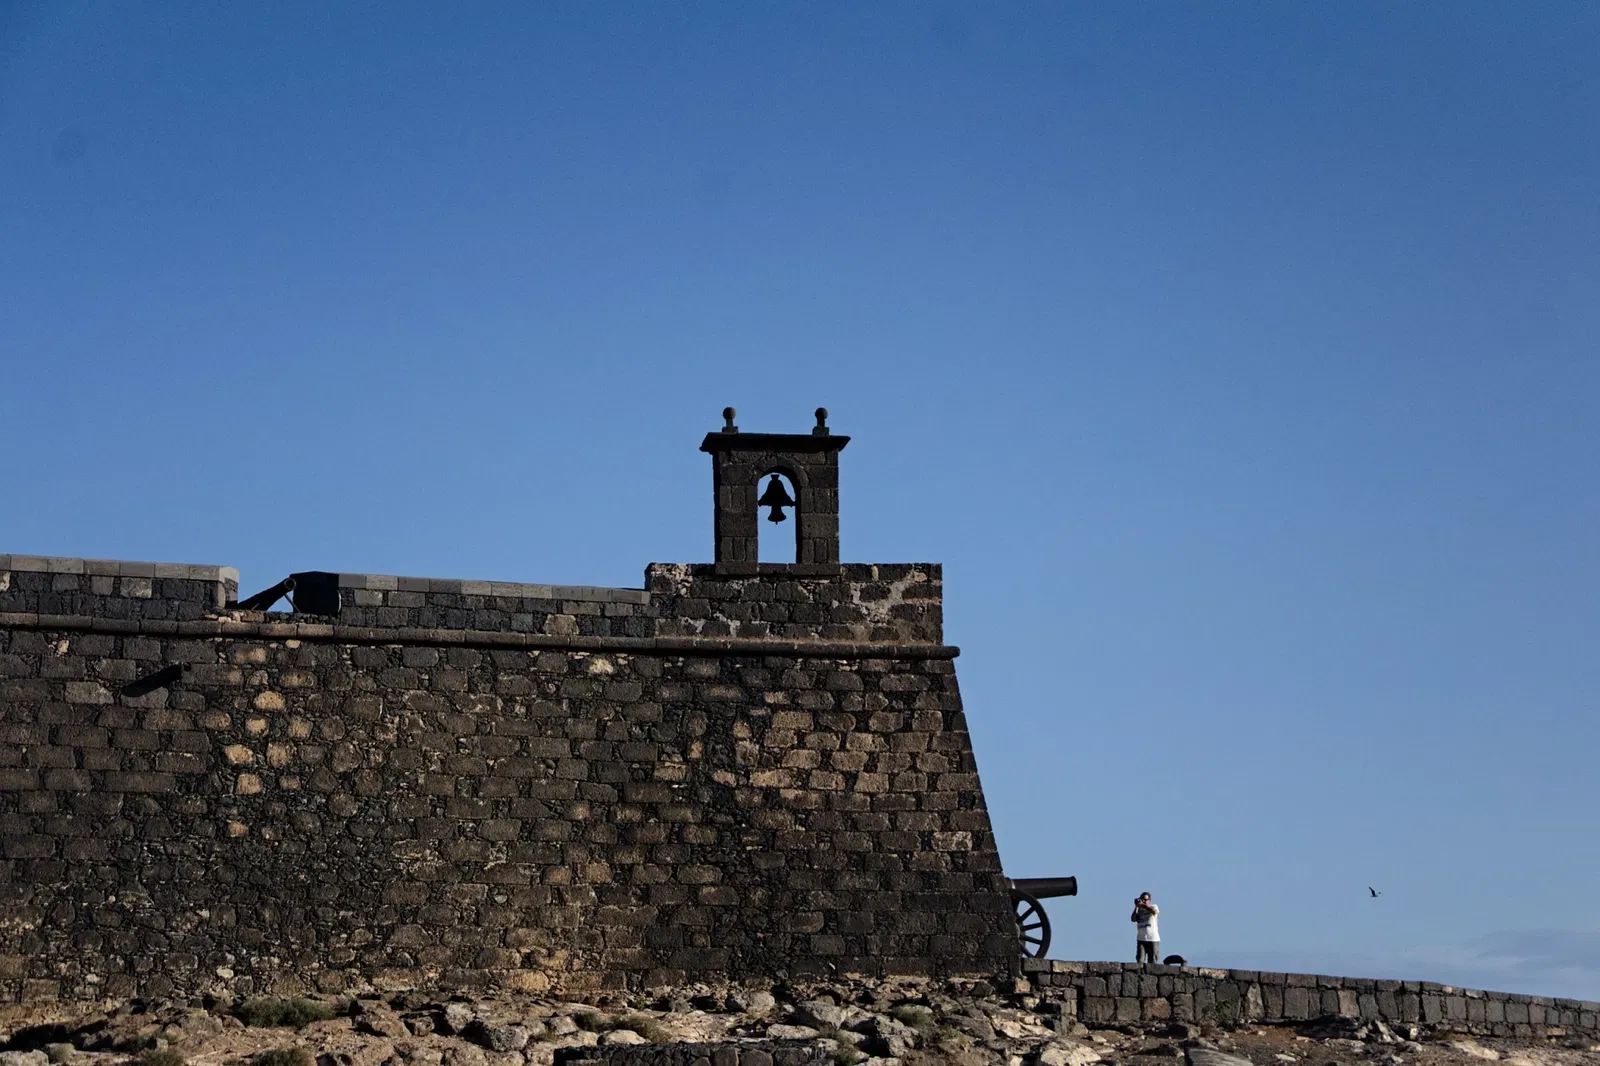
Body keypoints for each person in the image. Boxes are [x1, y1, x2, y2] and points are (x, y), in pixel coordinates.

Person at [1131, 892, 1160, 963]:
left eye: (1145, 900)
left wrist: (1144, 906)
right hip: (1141, 938)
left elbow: (1154, 912)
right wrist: (1136, 907)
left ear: (1149, 900)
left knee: (1152, 961)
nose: (1143, 901)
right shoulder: (1139, 910)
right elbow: (1133, 919)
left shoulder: (1153, 906)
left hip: (1152, 938)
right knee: (1140, 960)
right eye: (1142, 899)